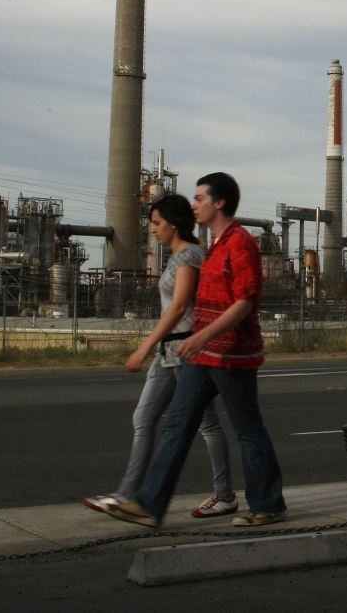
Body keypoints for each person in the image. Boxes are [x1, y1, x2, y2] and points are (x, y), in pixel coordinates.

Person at [102, 172, 286, 528]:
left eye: (200, 198)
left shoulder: (240, 243)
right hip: (202, 356)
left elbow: (245, 302)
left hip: (233, 355)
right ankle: (149, 505)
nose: (193, 204)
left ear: (219, 203)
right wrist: (199, 340)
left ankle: (268, 503)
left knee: (248, 429)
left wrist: (201, 336)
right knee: (177, 424)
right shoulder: (215, 245)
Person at [80, 193, 239, 520]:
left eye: (156, 223)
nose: (152, 229)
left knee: (207, 424)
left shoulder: (190, 255)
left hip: (185, 350)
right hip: (169, 352)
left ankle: (225, 495)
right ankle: (126, 494)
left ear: (174, 223)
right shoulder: (176, 256)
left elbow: (180, 306)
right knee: (144, 418)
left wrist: (143, 346)